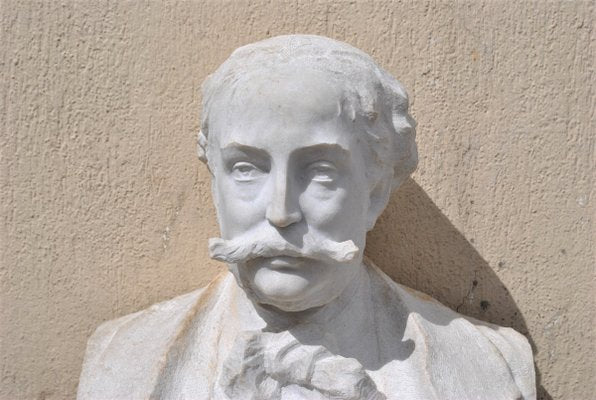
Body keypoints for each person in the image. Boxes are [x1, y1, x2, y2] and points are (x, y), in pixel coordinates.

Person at [78, 35, 535, 400]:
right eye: (246, 168)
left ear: (375, 191)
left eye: (319, 171)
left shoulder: (492, 368)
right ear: (214, 181)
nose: (280, 213)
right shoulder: (121, 358)